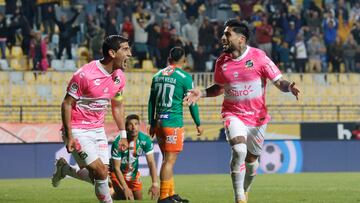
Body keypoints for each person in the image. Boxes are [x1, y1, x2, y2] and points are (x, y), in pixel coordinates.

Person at [184, 19, 300, 203]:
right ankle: (239, 197)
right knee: (238, 150)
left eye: (227, 34)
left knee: (252, 162)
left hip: (257, 118)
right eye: (223, 34)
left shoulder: (259, 56)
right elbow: (220, 88)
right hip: (233, 113)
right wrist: (202, 92)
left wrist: (289, 88)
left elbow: (278, 81)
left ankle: (245, 189)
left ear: (241, 39)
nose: (223, 37)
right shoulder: (221, 62)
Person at [51, 35, 132, 203]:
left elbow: (117, 106)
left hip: (97, 129)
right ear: (111, 52)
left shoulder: (119, 77)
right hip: (77, 128)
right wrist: (69, 135)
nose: (130, 53)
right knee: (101, 173)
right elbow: (66, 104)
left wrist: (123, 134)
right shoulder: (85, 75)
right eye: (125, 49)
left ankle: (65, 170)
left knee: (100, 177)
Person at [148, 46, 203, 203]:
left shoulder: (157, 75)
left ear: (168, 59)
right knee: (169, 160)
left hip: (158, 122)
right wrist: (198, 123)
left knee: (167, 159)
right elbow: (192, 102)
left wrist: (152, 122)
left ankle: (171, 194)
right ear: (184, 61)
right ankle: (164, 197)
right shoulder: (185, 77)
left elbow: (151, 101)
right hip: (172, 123)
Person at [109, 114, 160, 200]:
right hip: (117, 173)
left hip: (133, 173)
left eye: (136, 124)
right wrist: (125, 187)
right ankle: (111, 192)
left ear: (139, 125)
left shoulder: (145, 140)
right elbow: (116, 168)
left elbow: (151, 162)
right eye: (130, 124)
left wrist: (155, 183)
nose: (133, 127)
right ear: (125, 127)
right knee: (123, 197)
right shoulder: (118, 142)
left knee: (138, 199)